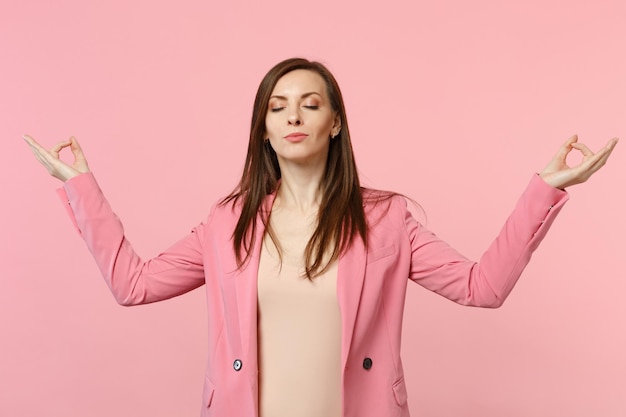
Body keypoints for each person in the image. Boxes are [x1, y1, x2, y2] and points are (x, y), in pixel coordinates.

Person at [24, 57, 618, 417]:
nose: (294, 116)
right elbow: (134, 284)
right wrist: (80, 184)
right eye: (278, 107)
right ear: (263, 129)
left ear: (335, 124)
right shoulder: (226, 222)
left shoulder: (386, 220)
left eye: (311, 104)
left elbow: (480, 286)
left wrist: (547, 188)